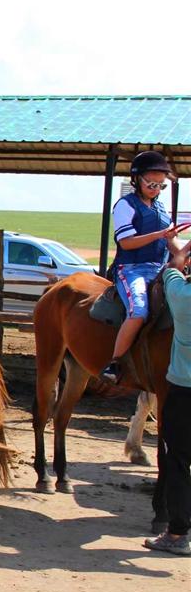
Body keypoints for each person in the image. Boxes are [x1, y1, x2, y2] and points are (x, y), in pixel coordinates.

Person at [104, 151, 183, 382]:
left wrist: (185, 252)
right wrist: (160, 234)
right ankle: (114, 363)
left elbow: (173, 244)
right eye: (151, 182)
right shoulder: (125, 205)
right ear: (137, 179)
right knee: (139, 311)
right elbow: (126, 242)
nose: (156, 188)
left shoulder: (160, 209)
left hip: (161, 269)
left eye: (160, 184)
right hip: (131, 269)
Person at [144, 243, 191, 556]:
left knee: (176, 459)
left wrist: (178, 255)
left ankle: (176, 533)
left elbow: (171, 271)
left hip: (183, 391)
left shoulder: (182, 297)